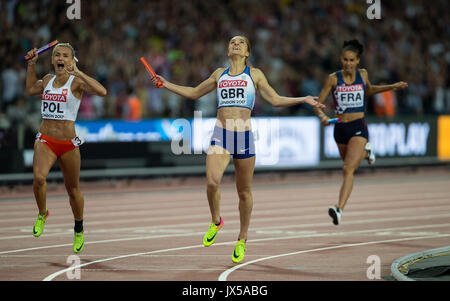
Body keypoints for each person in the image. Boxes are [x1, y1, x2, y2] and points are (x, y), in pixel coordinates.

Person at [150, 35, 325, 263]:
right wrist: (166, 84)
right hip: (221, 133)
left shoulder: (255, 74)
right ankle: (216, 221)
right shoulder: (218, 74)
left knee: (244, 192)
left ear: (247, 53)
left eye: (241, 42)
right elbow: (194, 92)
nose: (236, 44)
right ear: (228, 50)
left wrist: (303, 99)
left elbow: (275, 100)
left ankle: (242, 239)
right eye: (232, 41)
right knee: (212, 182)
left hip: (243, 135)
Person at [313, 39, 408, 226]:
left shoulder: (363, 75)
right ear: (341, 59)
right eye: (345, 60)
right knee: (351, 167)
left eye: (351, 60)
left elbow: (369, 90)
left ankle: (339, 209)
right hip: (340, 128)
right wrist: (322, 116)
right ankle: (367, 152)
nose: (348, 64)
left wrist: (391, 87)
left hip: (358, 126)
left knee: (347, 169)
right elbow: (318, 104)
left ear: (357, 61)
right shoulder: (333, 78)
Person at [25, 43, 107, 253]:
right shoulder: (47, 80)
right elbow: (30, 89)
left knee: (72, 190)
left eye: (66, 56)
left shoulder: (77, 81)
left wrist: (79, 72)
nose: (61, 58)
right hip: (46, 140)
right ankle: (42, 213)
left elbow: (102, 91)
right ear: (52, 60)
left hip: (68, 144)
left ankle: (78, 229)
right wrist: (31, 65)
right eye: (57, 55)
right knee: (39, 178)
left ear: (71, 61)